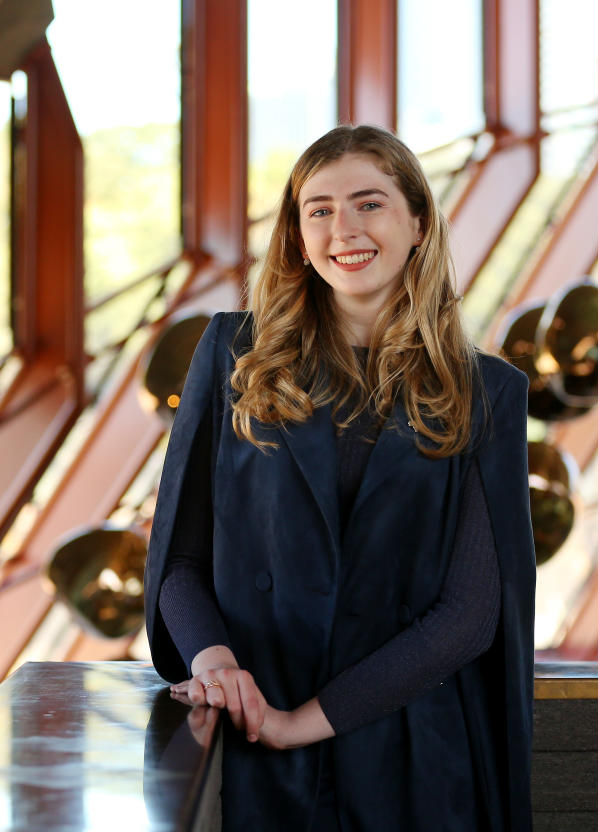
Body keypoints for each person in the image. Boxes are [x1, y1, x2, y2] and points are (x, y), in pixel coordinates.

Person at [143, 125, 535, 831]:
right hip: (251, 735)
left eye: (368, 203)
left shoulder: (486, 392)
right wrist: (215, 659)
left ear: (418, 223)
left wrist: (306, 722)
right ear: (297, 235)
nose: (342, 229)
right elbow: (181, 559)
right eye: (318, 209)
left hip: (408, 755)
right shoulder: (232, 354)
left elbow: (470, 613)